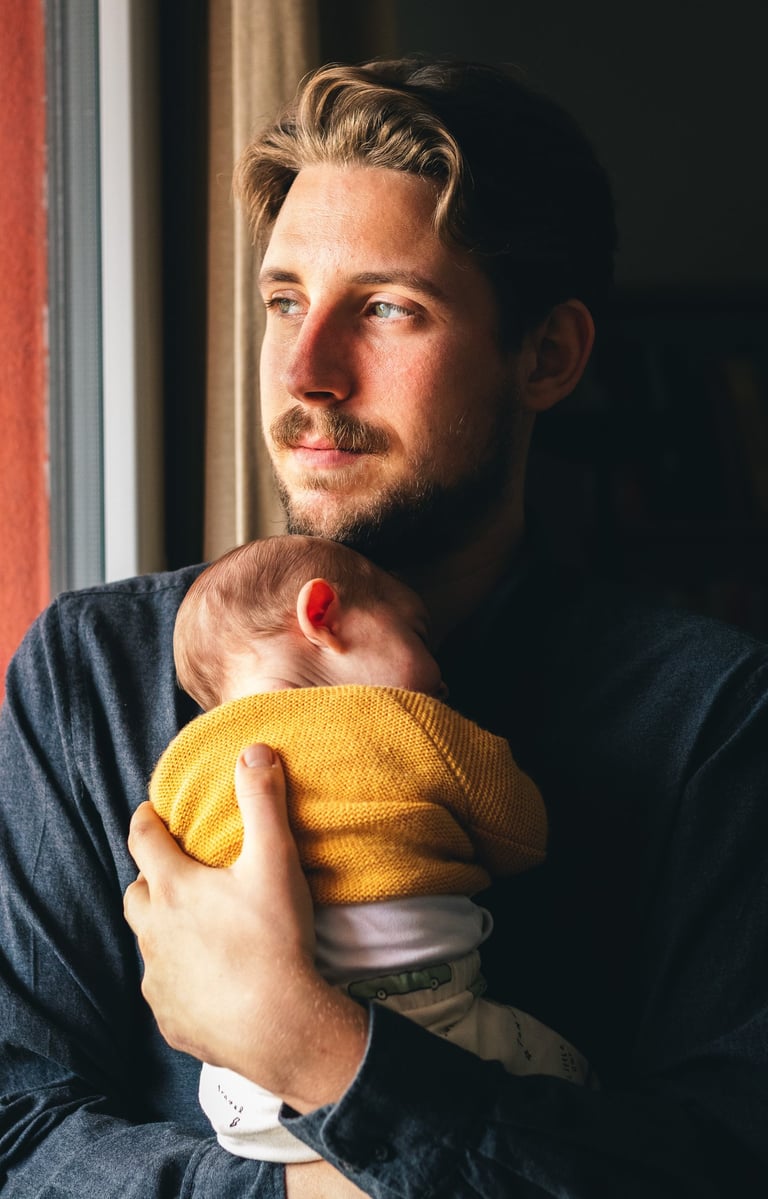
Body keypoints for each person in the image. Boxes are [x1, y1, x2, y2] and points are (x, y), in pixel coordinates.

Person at [1, 55, 766, 1199]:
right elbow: (17, 1131)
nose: (307, 372)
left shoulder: (713, 718)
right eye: (285, 301)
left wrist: (314, 1047)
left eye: (388, 308)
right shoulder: (93, 673)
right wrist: (302, 1189)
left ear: (547, 355)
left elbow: (725, 1163)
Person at [153, 533, 590, 1162]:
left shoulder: (180, 770)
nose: (441, 675)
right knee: (575, 1092)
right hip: (432, 1030)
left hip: (238, 1092)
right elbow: (523, 837)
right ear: (323, 616)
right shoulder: (408, 723)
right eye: (418, 633)